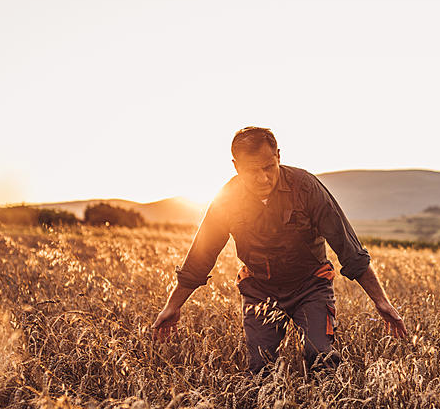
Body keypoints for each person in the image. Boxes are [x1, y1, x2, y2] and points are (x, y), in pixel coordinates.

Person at [152, 126, 407, 376]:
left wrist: (381, 301)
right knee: (260, 368)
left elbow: (348, 247)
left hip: (311, 285)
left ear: (279, 157)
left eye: (268, 167)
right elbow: (201, 256)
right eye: (253, 171)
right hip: (260, 289)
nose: (263, 178)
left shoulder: (306, 188)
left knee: (321, 356)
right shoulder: (226, 199)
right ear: (236, 166)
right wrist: (173, 305)